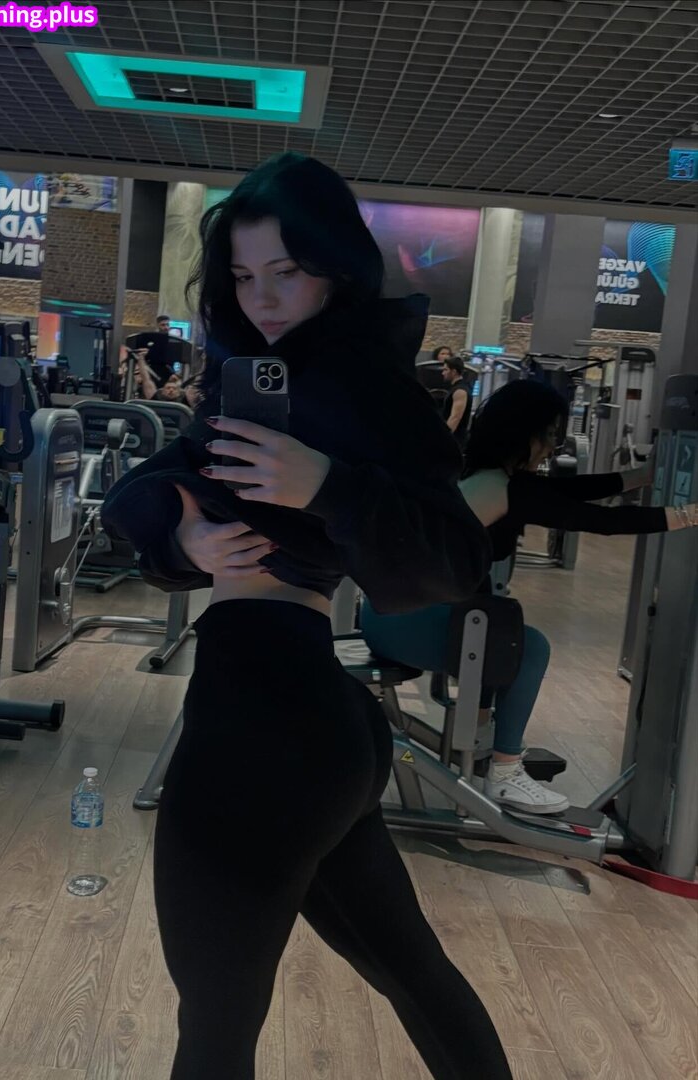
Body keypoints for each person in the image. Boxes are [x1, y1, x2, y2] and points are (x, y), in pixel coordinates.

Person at [102, 152, 513, 1080]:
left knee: (215, 1035)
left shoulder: (369, 389)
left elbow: (456, 558)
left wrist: (327, 485)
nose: (263, 298)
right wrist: (189, 541)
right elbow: (158, 491)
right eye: (244, 275)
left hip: (264, 727)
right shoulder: (259, 376)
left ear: (334, 266)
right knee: (413, 978)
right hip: (311, 724)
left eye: (286, 271)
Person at [362, 378, 697, 814]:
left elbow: (566, 492)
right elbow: (598, 521)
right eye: (549, 435)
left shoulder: (480, 473)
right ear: (524, 433)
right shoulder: (509, 488)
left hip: (386, 614)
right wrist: (687, 514)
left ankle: (481, 737)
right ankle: (505, 773)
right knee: (527, 647)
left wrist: (639, 476)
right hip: (407, 622)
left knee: (490, 621)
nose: (553, 447)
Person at [442, 354, 473, 447]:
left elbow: (455, 418)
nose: (443, 373)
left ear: (454, 372)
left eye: (445, 370)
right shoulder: (455, 388)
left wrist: (443, 439)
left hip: (456, 441)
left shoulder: (460, 391)